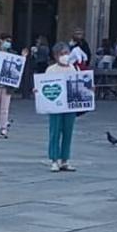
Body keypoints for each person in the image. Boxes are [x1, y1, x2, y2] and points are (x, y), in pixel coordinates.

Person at [44, 42, 78, 173]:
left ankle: (65, 159)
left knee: (68, 132)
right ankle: (54, 159)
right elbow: (44, 86)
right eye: (62, 54)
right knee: (55, 131)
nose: (65, 56)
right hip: (55, 106)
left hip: (69, 106)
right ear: (56, 56)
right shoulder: (51, 70)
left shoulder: (73, 68)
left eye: (66, 53)